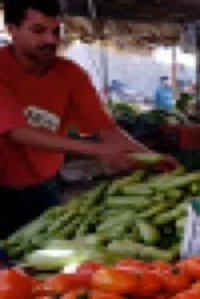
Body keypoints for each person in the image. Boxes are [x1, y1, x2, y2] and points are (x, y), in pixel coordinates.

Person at [0, 0, 163, 238]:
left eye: (56, 31)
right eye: (39, 31)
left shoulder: (70, 74)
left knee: (42, 263)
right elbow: (18, 132)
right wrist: (98, 151)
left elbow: (105, 128)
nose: (51, 40)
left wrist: (151, 158)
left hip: (45, 187)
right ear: (12, 30)